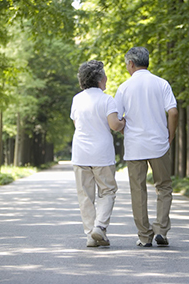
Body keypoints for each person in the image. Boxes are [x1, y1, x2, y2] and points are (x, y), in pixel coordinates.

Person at [115, 47, 178, 247]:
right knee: (164, 187)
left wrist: (126, 130)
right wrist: (170, 135)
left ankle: (144, 236)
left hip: (135, 147)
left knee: (138, 190)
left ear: (131, 64)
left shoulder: (124, 87)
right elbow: (173, 112)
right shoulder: (162, 84)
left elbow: (116, 120)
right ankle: (161, 230)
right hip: (159, 144)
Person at [71, 60, 125, 247]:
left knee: (85, 195)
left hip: (80, 154)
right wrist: (124, 122)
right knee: (107, 191)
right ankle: (100, 227)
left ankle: (90, 236)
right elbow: (115, 125)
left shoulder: (77, 99)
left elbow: (77, 124)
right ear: (100, 79)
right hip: (102, 154)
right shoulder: (107, 99)